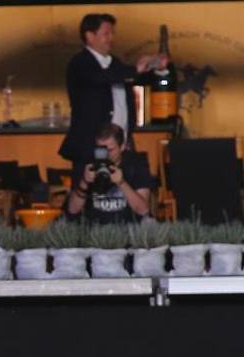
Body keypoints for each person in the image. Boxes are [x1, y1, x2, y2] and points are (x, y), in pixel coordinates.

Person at [60, 13, 162, 166]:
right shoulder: (80, 63)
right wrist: (135, 70)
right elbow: (101, 77)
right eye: (106, 34)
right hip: (91, 146)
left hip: (122, 145)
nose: (111, 38)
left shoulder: (115, 62)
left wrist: (154, 67)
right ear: (89, 36)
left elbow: (132, 78)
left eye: (112, 33)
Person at [66, 121, 153, 223]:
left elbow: (143, 210)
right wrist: (84, 182)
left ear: (122, 147)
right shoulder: (87, 164)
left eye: (110, 150)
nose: (106, 154)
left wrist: (121, 183)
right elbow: (73, 210)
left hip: (129, 230)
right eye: (101, 149)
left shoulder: (136, 164)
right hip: (94, 231)